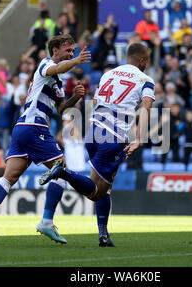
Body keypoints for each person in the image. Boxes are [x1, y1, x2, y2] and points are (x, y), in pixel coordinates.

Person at [0, 34, 95, 244]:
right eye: (68, 50)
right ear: (55, 50)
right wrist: (76, 61)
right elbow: (58, 67)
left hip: (22, 129)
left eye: (73, 51)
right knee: (60, 170)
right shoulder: (46, 65)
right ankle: (46, 222)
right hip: (34, 126)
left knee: (10, 176)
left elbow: (60, 109)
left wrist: (75, 97)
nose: (71, 54)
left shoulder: (57, 79)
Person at [44, 42, 155, 247]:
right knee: (97, 192)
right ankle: (63, 172)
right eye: (147, 60)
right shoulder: (145, 80)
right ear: (141, 61)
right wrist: (139, 137)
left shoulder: (108, 74)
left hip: (93, 132)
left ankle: (103, 235)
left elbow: (95, 102)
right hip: (113, 137)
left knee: (106, 187)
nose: (147, 64)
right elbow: (146, 107)